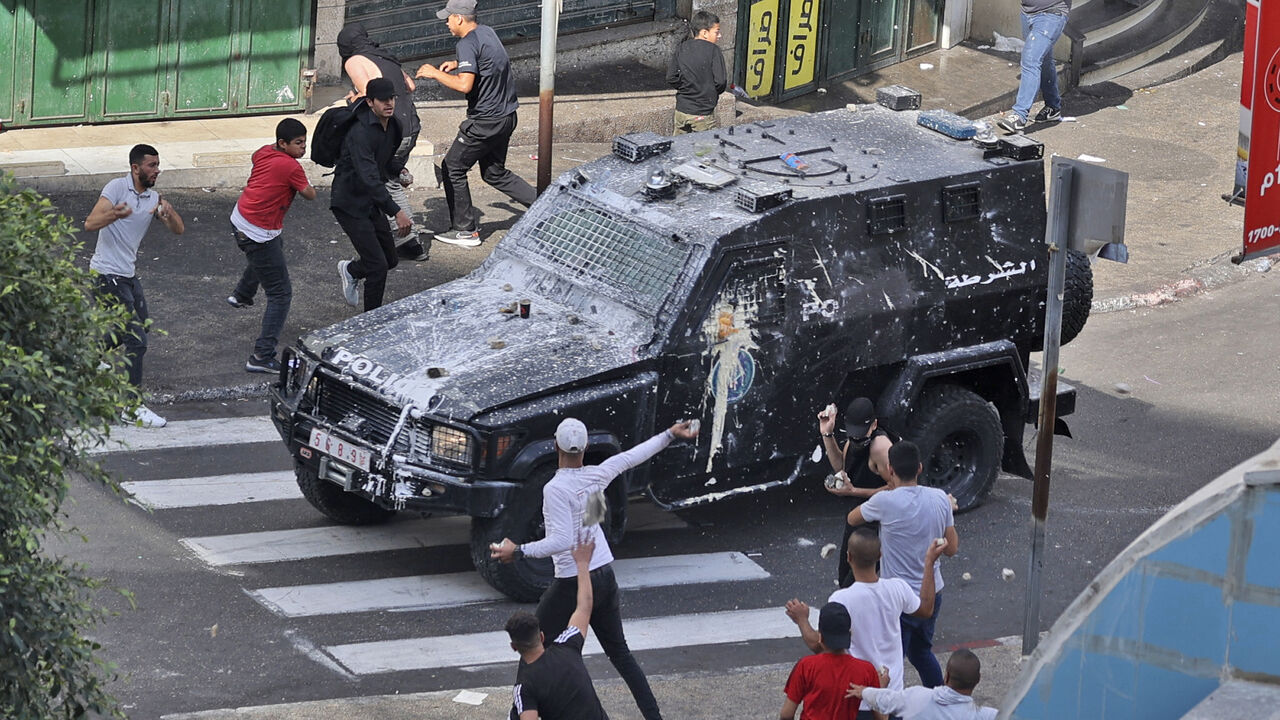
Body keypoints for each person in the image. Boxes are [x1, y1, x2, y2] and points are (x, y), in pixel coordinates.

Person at [491, 418, 700, 720]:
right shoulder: (597, 474)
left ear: (554, 445)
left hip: (572, 580)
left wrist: (518, 550)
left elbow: (561, 540)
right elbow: (632, 456)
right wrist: (670, 434)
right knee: (621, 655)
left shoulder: (554, 489)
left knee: (530, 648)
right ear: (586, 447)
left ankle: (523, 713)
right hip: (604, 572)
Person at [415, 0, 537, 248]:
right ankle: (545, 205)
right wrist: (459, 64)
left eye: (448, 18)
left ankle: (465, 231)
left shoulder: (466, 43)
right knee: (495, 173)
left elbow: (464, 85)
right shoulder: (487, 32)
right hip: (507, 116)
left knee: (452, 168)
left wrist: (435, 72)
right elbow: (494, 62)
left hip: (485, 122)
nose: (447, 23)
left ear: (459, 18)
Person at [787, 528, 944, 717]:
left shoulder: (842, 599)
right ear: (880, 555)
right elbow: (926, 609)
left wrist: (802, 620)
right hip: (892, 695)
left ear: (848, 557)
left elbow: (819, 644)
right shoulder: (897, 588)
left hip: (858, 699)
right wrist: (929, 563)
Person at [84, 143, 185, 428]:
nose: (157, 170)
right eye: (152, 165)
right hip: (106, 274)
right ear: (135, 168)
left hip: (127, 274)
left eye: (158, 165)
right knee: (136, 339)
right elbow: (90, 223)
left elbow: (179, 230)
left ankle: (87, 358)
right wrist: (114, 214)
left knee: (141, 324)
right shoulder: (116, 188)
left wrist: (169, 214)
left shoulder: (153, 196)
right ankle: (132, 407)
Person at [848, 441, 958, 688]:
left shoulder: (885, 502)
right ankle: (937, 700)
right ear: (919, 468)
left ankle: (890, 707)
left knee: (891, 660)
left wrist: (884, 492)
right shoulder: (940, 498)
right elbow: (951, 548)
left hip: (898, 599)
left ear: (890, 469)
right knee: (921, 652)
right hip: (932, 592)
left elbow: (852, 518)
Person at [226, 119, 316, 374]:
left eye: (304, 142)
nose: (303, 148)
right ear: (282, 144)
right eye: (298, 143)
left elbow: (258, 159)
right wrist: (308, 185)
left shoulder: (264, 152)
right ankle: (262, 356)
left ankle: (242, 294)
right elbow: (310, 195)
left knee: (271, 249)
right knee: (281, 294)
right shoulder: (291, 166)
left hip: (241, 220)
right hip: (258, 231)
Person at [336, 22, 430, 262]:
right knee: (388, 176)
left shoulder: (354, 60)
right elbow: (411, 86)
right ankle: (397, 234)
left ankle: (409, 242)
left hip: (389, 128)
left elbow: (371, 92)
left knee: (386, 181)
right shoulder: (385, 56)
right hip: (409, 126)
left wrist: (353, 98)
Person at [331, 76, 413, 312]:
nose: (389, 104)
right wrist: (396, 211)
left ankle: (351, 270)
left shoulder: (393, 126)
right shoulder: (360, 133)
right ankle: (370, 321)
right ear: (369, 102)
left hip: (370, 202)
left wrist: (401, 170)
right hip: (349, 203)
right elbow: (369, 178)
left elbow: (387, 160)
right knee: (377, 267)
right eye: (383, 100)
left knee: (390, 260)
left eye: (391, 99)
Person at [506, 538, 609, 720]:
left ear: (514, 647)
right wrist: (583, 564)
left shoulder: (525, 686)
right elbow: (584, 606)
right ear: (542, 636)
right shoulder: (568, 645)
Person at [818, 397, 897, 588]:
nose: (856, 440)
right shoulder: (852, 442)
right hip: (857, 518)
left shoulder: (880, 447)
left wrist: (853, 491)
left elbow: (895, 489)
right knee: (845, 578)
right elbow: (842, 467)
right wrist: (827, 435)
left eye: (861, 435)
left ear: (874, 425)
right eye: (852, 435)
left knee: (856, 582)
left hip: (877, 524)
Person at [781, 602, 885, 720]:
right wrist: (880, 690)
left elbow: (786, 714)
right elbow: (882, 717)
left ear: (820, 637)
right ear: (849, 634)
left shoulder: (806, 666)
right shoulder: (866, 670)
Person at [849, 649, 998, 720]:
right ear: (978, 679)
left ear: (946, 676)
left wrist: (864, 691)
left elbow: (886, 699)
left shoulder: (916, 697)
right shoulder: (986, 716)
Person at [997, 0, 1071, 133]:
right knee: (1044, 60)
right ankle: (1053, 107)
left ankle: (1019, 116)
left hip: (1052, 14)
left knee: (1031, 60)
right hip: (1028, 13)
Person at [665, 10, 727, 135]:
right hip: (702, 114)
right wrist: (709, 91)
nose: (719, 36)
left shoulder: (682, 47)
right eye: (716, 32)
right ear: (704, 33)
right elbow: (720, 81)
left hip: (681, 111)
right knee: (706, 151)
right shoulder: (714, 50)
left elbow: (671, 77)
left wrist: (686, 87)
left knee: (679, 150)